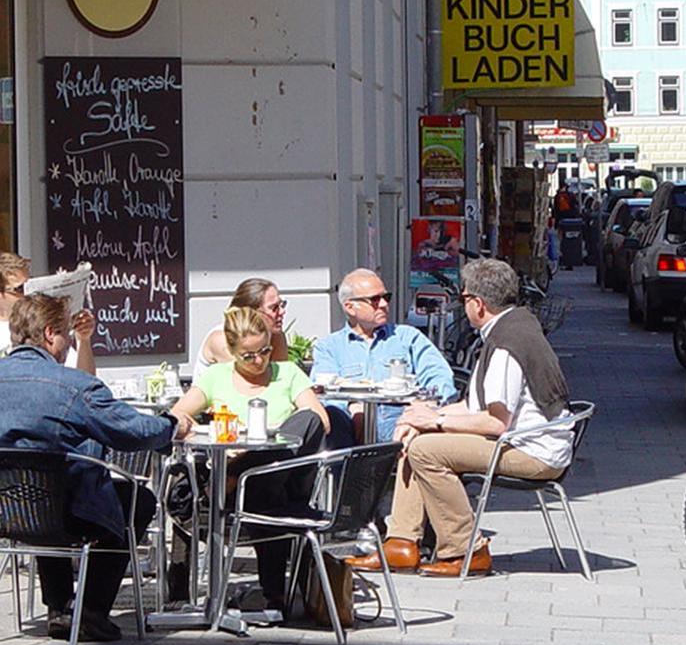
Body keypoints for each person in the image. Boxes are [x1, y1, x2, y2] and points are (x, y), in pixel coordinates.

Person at [0, 294, 185, 642]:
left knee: (46, 486)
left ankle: (60, 607)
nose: (67, 346)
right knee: (137, 500)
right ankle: (90, 609)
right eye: (65, 336)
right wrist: (172, 425)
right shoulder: (73, 385)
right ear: (50, 334)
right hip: (66, 512)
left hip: (7, 513)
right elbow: (132, 431)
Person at [348, 258, 573, 578]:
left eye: (465, 298)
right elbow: (473, 405)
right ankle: (400, 543)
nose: (463, 305)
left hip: (534, 451)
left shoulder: (506, 345)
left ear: (478, 304)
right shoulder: (515, 326)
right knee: (417, 439)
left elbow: (495, 422)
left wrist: (435, 422)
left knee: (427, 450)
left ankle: (467, 548)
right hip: (534, 440)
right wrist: (421, 416)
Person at [167, 307, 328, 610]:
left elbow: (319, 419)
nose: (259, 361)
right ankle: (274, 595)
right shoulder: (217, 377)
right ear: (231, 350)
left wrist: (268, 443)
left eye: (265, 351)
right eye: (248, 355)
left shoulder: (288, 373)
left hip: (277, 475)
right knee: (267, 491)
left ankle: (239, 474)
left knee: (303, 423)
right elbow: (178, 415)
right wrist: (206, 431)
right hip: (247, 486)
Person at [310, 269, 456, 443]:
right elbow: (322, 389)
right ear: (350, 307)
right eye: (374, 300)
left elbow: (440, 377)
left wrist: (423, 409)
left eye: (386, 297)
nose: (383, 304)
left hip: (401, 417)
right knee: (334, 419)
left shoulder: (407, 337)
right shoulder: (329, 347)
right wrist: (354, 408)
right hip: (350, 423)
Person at [0, 251, 97, 385]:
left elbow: (85, 383)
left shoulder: (42, 325)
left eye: (30, 285)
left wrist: (83, 340)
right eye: (20, 289)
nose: (28, 293)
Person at [195, 277, 291, 367]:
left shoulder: (276, 336)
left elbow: (283, 378)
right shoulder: (222, 339)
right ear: (251, 312)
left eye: (282, 304)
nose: (282, 311)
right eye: (274, 308)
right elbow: (247, 381)